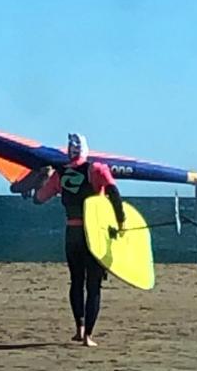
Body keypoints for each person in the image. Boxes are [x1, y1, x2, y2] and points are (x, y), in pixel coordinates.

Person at [11, 133, 125, 347]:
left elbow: (39, 199)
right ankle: (88, 336)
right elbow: (114, 194)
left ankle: (78, 328)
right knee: (94, 286)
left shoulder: (59, 174)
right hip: (93, 235)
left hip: (71, 234)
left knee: (76, 281)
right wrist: (121, 224)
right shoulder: (96, 169)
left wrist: (30, 187)